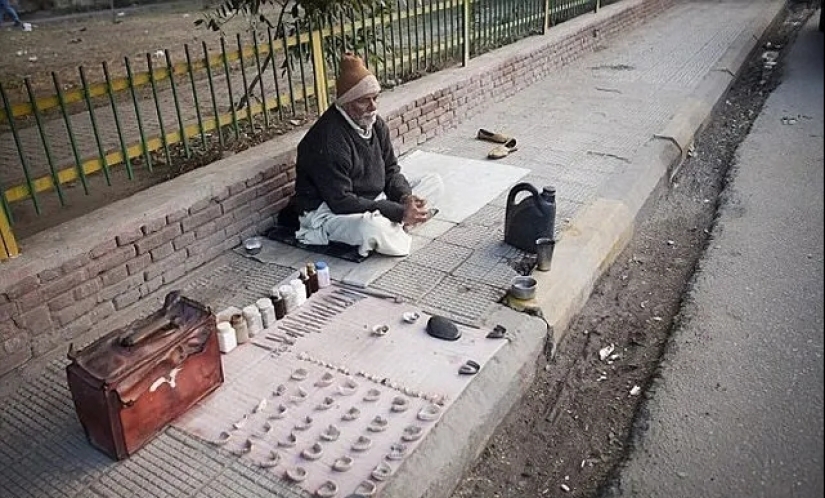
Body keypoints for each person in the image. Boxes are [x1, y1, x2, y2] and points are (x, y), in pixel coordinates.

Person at [290, 52, 442, 257]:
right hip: (330, 211)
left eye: (375, 98)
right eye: (364, 101)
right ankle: (400, 223)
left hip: (373, 199)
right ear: (346, 103)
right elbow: (341, 201)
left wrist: (406, 198)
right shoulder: (327, 140)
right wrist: (395, 211)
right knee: (372, 229)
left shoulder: (375, 124)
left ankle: (401, 221)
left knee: (434, 182)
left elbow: (391, 170)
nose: (373, 106)